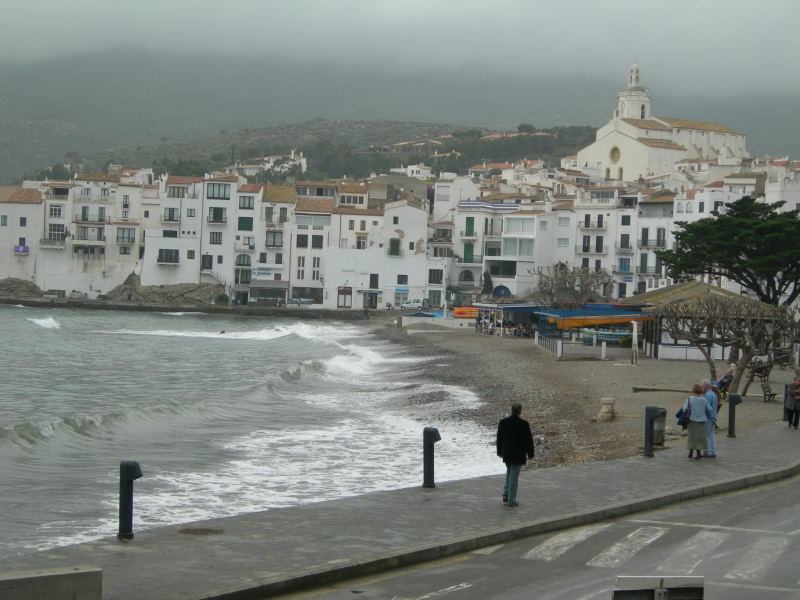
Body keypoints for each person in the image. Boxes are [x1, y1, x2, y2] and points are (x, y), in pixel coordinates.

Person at [496, 402, 535, 507]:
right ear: (520, 411)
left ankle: (506, 494)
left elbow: (499, 439)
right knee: (513, 475)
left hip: (507, 452)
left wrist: (499, 451)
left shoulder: (503, 422)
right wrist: (530, 453)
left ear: (511, 410)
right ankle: (511, 500)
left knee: (509, 472)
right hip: (518, 454)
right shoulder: (524, 424)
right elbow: (528, 440)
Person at [682, 384, 714, 460]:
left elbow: (684, 409)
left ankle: (690, 452)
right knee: (700, 437)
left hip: (692, 420)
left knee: (692, 436)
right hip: (702, 421)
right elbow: (710, 409)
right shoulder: (704, 399)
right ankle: (698, 453)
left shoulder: (690, 399)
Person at [701, 380, 718, 457]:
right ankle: (713, 451)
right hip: (713, 417)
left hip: (708, 417)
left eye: (702, 386)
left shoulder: (707, 395)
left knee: (706, 435)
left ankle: (707, 451)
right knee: (711, 434)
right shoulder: (714, 394)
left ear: (705, 386)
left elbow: (706, 407)